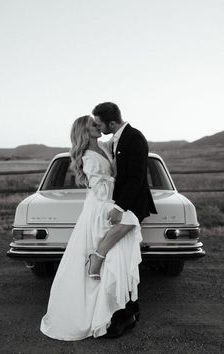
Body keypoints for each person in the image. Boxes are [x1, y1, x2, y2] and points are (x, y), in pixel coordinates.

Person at [40, 115, 143, 341]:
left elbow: (120, 143)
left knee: (118, 254)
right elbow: (100, 188)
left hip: (107, 203)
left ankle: (113, 311)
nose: (98, 127)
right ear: (85, 132)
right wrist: (111, 199)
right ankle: (97, 259)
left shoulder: (105, 147)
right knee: (130, 221)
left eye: (98, 124)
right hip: (99, 205)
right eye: (93, 125)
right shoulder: (87, 157)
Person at [91, 102, 157, 338]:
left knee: (122, 259)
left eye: (99, 123)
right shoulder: (117, 139)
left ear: (111, 122)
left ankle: (125, 316)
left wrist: (120, 207)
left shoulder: (134, 138)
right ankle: (130, 310)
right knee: (122, 259)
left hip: (131, 209)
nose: (97, 127)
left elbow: (137, 177)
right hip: (122, 207)